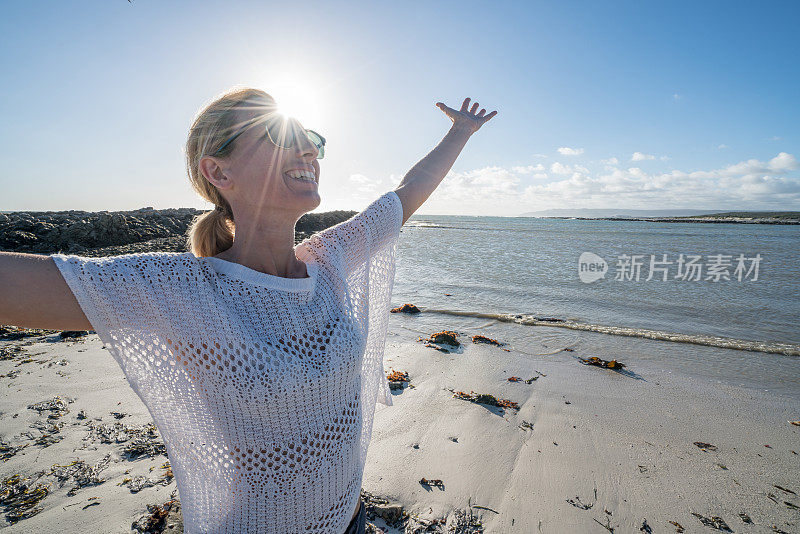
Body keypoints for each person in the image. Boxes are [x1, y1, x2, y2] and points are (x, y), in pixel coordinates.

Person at [0, 86, 496, 533]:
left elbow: (403, 198)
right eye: (282, 137)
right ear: (218, 171)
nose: (308, 150)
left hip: (349, 518)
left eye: (312, 140)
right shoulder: (182, 290)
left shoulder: (331, 261)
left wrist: (460, 133)